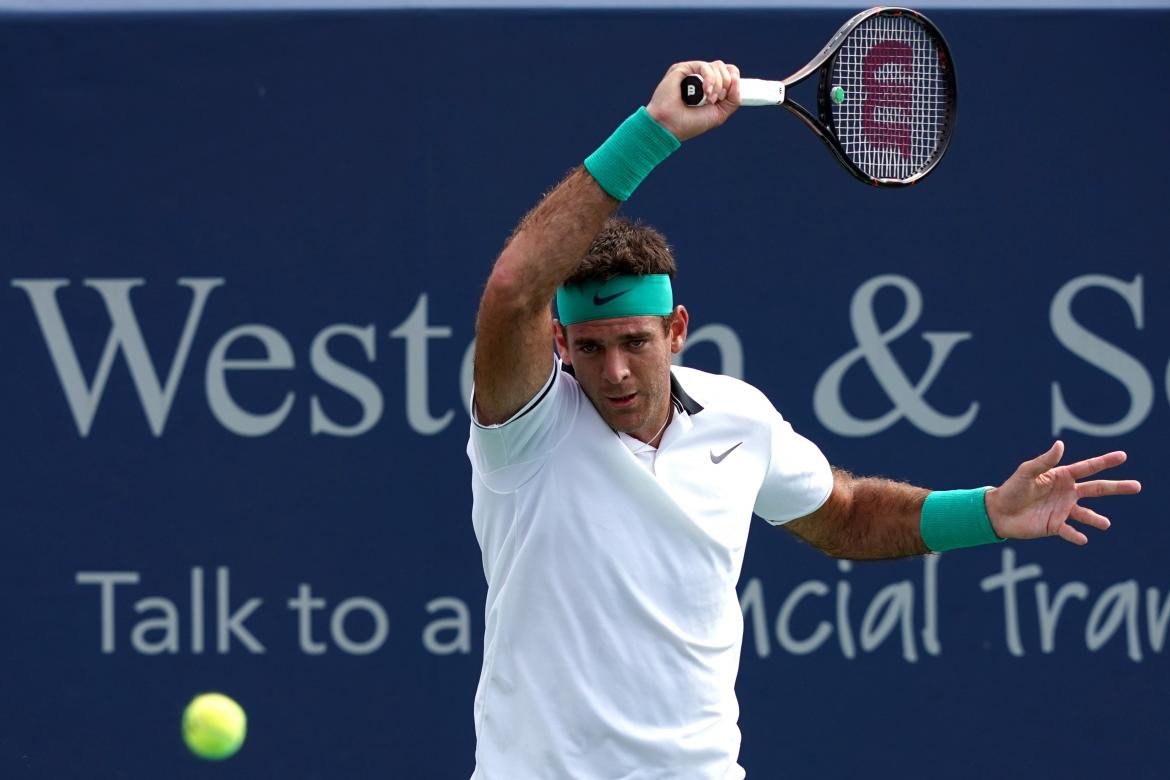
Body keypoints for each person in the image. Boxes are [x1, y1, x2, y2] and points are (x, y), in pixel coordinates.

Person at [465, 60, 1141, 780]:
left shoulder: (738, 418)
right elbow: (513, 289)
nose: (617, 371)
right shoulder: (526, 432)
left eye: (636, 342)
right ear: (560, 344)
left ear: (678, 330)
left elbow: (844, 515)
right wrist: (654, 132)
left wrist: (988, 514)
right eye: (592, 349)